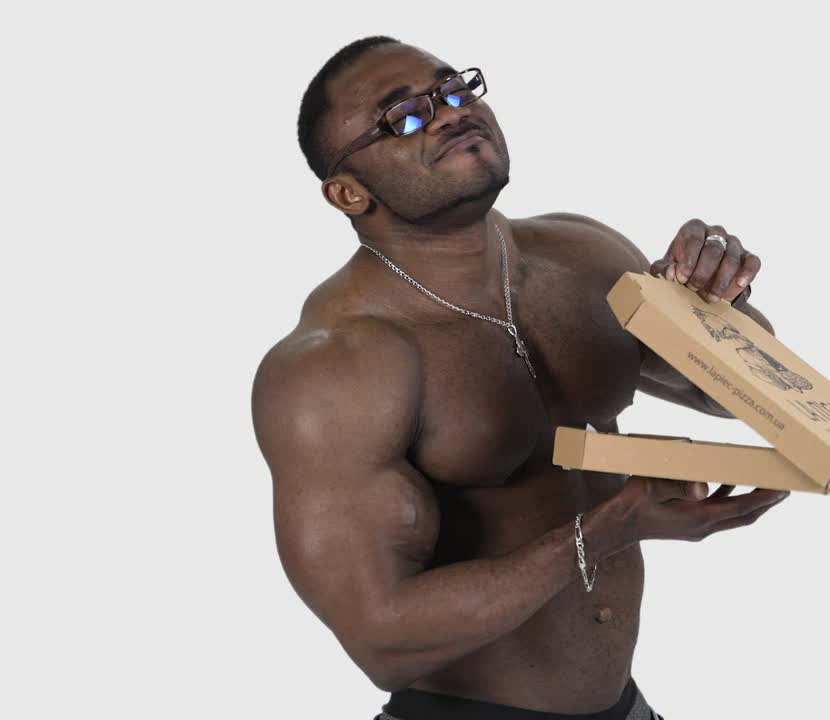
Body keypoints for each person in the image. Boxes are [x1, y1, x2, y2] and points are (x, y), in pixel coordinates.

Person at [251, 35, 790, 720]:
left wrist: (718, 312)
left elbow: (738, 397)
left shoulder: (583, 256)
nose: (450, 112)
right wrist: (608, 529)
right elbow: (380, 641)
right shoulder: (336, 365)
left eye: (455, 90)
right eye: (405, 116)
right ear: (349, 192)